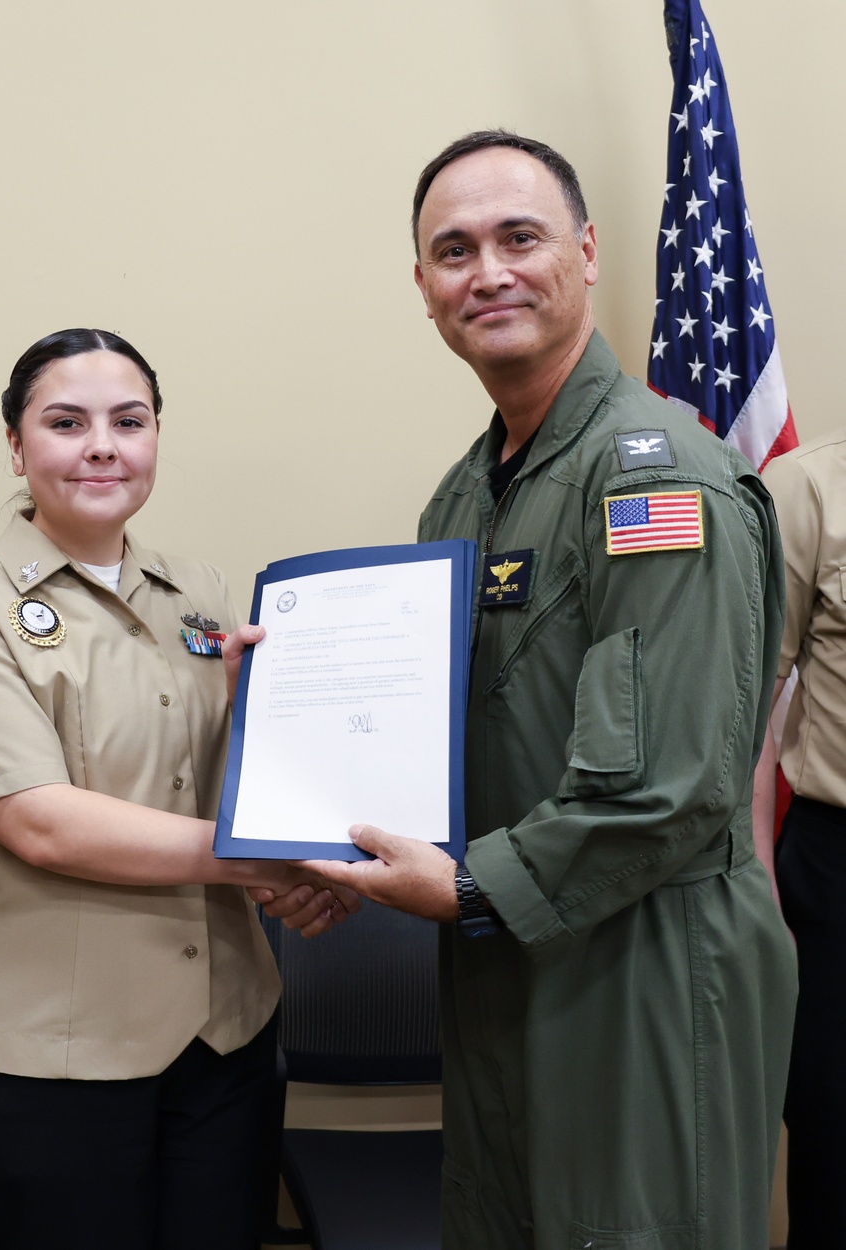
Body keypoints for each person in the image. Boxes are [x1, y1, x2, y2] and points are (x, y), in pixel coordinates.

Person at [254, 132, 797, 1249]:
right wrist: (318, 774)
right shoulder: (466, 492)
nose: (487, 271)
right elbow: (457, 728)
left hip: (644, 963)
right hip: (508, 950)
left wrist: (462, 888)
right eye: (453, 251)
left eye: (519, 237)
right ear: (423, 289)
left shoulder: (656, 475)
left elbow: (676, 785)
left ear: (586, 252)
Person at [0, 328, 355, 1250]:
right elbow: (40, 823)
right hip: (47, 1056)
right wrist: (266, 861)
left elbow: (228, 783)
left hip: (223, 1038)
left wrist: (277, 745)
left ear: (156, 437)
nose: (103, 444)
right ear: (16, 445)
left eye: (129, 420)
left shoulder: (202, 593)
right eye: (67, 422)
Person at [754, 429, 846, 1248]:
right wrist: (758, 888)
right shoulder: (808, 487)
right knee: (834, 1154)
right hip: (836, 870)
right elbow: (749, 714)